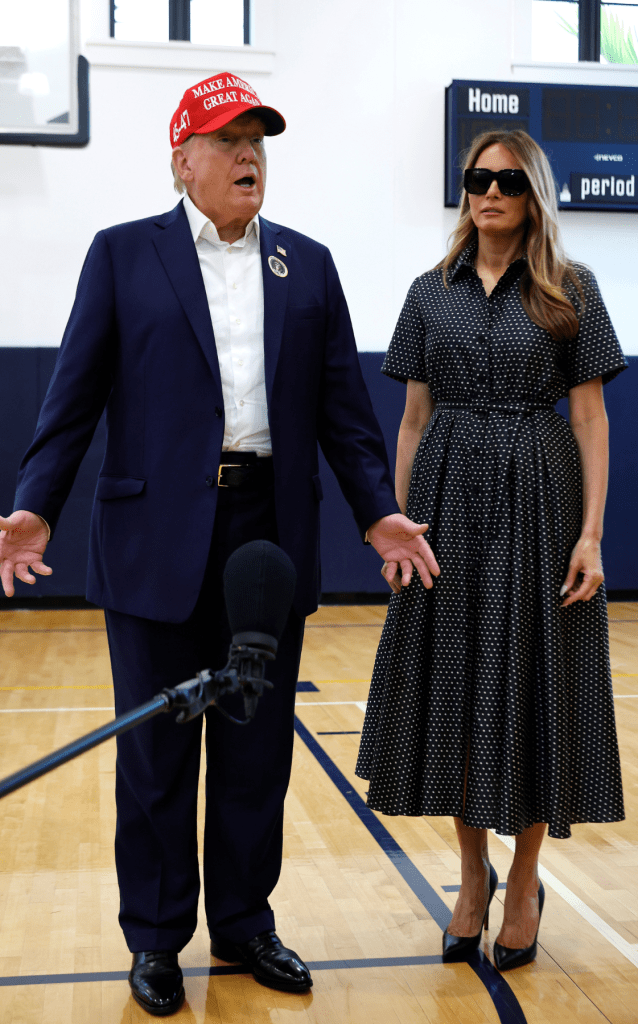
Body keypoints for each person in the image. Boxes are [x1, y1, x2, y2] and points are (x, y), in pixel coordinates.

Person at [0, 72, 439, 1015]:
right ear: (181, 159)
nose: (248, 158)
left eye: (258, 143)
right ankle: (154, 939)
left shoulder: (306, 266)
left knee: (255, 754)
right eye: (228, 141)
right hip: (153, 539)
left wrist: (374, 510)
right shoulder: (121, 257)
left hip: (265, 543)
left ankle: (243, 924)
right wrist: (37, 505)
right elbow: (70, 401)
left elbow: (347, 419)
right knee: (156, 757)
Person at [356, 129, 627, 972]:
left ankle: (523, 882)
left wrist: (589, 534)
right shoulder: (426, 292)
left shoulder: (569, 289)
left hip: (539, 504)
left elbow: (588, 418)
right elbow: (409, 420)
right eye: (477, 178)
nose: (489, 192)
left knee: (534, 692)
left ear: (532, 192)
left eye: (507, 180)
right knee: (453, 693)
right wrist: (398, 527)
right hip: (444, 505)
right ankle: (471, 876)